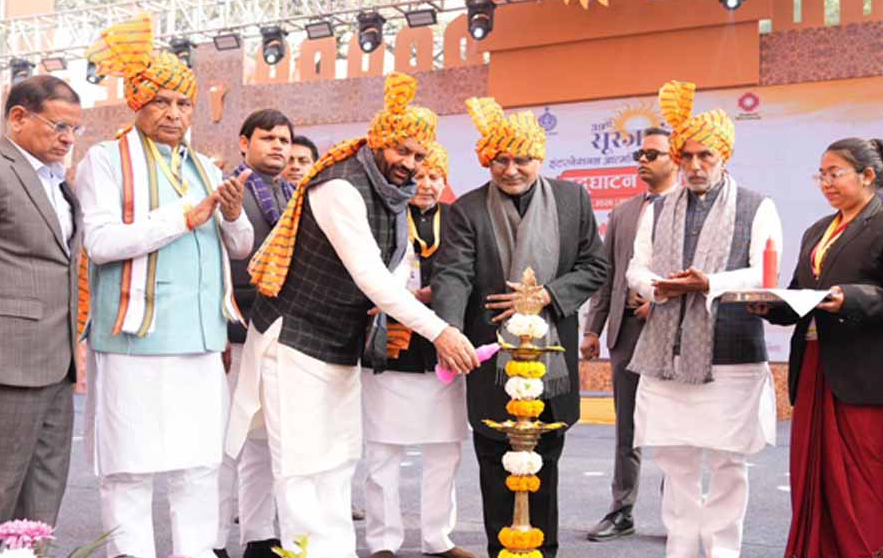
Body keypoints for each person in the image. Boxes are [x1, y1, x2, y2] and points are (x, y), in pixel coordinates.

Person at [226, 72, 479, 558]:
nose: (410, 164)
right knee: (302, 463)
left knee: (338, 458)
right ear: (379, 141)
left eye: (419, 156)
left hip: (340, 341)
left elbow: (391, 270)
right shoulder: (340, 186)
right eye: (402, 151)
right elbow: (370, 276)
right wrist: (441, 331)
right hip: (295, 338)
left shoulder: (393, 191)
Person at [75, 14, 254, 558]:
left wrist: (232, 216)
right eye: (161, 102)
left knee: (198, 466)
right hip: (133, 340)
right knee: (129, 468)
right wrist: (183, 217)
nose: (174, 113)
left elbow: (240, 248)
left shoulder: (206, 167)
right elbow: (100, 242)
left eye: (183, 103)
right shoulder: (105, 160)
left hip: (200, 342)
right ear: (137, 102)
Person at [431, 97, 608, 558]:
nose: (511, 169)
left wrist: (545, 295)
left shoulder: (572, 200)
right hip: (491, 358)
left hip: (553, 362)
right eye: (501, 160)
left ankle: (544, 551)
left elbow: (595, 266)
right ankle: (501, 551)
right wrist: (450, 331)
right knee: (495, 461)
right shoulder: (466, 210)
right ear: (488, 160)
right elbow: (452, 275)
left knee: (545, 462)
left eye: (522, 159)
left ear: (540, 158)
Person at [751, 137, 883, 558]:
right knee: (812, 479)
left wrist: (849, 298)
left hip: (873, 374)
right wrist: (768, 305)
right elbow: (802, 296)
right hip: (816, 368)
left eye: (834, 173)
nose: (826, 183)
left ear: (868, 175)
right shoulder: (818, 230)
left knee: (865, 484)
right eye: (821, 175)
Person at [625, 80, 782, 558]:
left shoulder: (757, 205)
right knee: (675, 461)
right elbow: (636, 268)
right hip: (666, 354)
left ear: (724, 156)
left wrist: (707, 283)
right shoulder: (658, 209)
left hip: (732, 353)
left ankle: (722, 551)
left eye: (705, 156)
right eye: (687, 156)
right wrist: (658, 287)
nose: (695, 165)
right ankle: (680, 548)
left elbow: (763, 272)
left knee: (729, 462)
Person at [0, 75, 83, 533]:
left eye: (75, 129)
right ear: (18, 118)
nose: (68, 139)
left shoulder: (59, 183)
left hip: (56, 366)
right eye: (59, 126)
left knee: (40, 503)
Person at [361, 143, 474, 558]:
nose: (426, 184)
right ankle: (382, 541)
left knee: (445, 451)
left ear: (445, 181)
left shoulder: (458, 219)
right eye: (419, 175)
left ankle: (437, 538)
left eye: (434, 176)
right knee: (383, 452)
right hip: (390, 350)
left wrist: (431, 295)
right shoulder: (384, 215)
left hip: (443, 351)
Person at [582, 127, 678, 542]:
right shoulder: (623, 213)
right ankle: (622, 510)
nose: (642, 160)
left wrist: (660, 303)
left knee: (675, 427)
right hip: (626, 333)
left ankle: (678, 516)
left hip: (674, 334)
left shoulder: (692, 210)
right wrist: (592, 329)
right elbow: (607, 276)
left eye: (653, 154)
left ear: (676, 159)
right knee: (627, 428)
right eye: (640, 153)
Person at [218, 108, 295, 558]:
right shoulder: (229, 191)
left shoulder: (292, 194)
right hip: (235, 330)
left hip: (279, 333)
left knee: (263, 440)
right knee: (226, 441)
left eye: (284, 139)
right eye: (268, 138)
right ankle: (211, 540)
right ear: (244, 143)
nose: (278, 146)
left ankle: (259, 535)